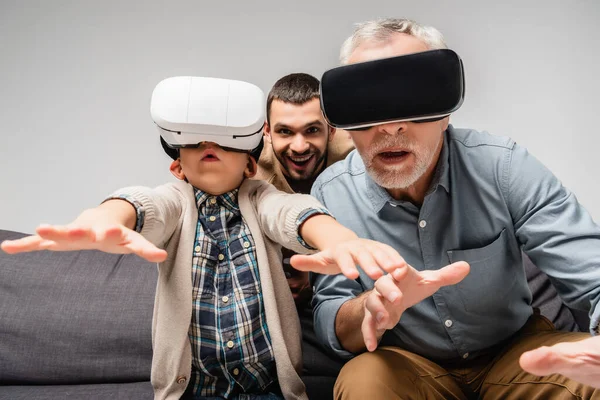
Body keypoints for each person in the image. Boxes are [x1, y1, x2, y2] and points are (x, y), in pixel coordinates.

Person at [0, 76, 468, 400]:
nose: (210, 149)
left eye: (225, 144)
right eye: (196, 144)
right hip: (192, 388)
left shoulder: (260, 196)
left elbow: (293, 213)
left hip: (268, 387)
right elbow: (146, 204)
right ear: (176, 164)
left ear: (250, 162)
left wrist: (340, 238)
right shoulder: (175, 200)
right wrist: (108, 217)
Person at [303, 18, 600, 399]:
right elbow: (332, 317)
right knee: (363, 382)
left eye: (414, 101)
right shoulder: (332, 193)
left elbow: (590, 266)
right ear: (346, 124)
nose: (391, 127)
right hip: (408, 367)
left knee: (583, 375)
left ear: (445, 113)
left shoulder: (503, 166)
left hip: (514, 355)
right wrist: (371, 308)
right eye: (370, 105)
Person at [254, 73, 354, 387]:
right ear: (267, 132)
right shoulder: (250, 169)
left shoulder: (359, 159)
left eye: (312, 130)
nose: (299, 146)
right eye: (285, 132)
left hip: (342, 282)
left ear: (332, 129)